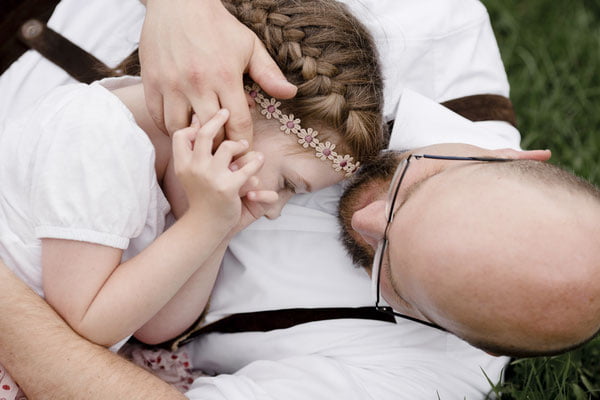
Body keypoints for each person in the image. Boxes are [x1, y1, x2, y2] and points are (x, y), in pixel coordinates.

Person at [3, 0, 585, 398]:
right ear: (509, 157)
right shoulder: (432, 21)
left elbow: (124, 338)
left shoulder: (417, 378)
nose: (368, 217)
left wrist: (210, 225)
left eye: (393, 271)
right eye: (417, 192)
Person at [0, 0, 385, 397]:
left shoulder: (176, 175)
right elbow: (89, 323)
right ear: (232, 105)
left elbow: (154, 328)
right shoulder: (99, 136)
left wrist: (216, 232)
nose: (275, 207)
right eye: (288, 182)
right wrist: (205, 223)